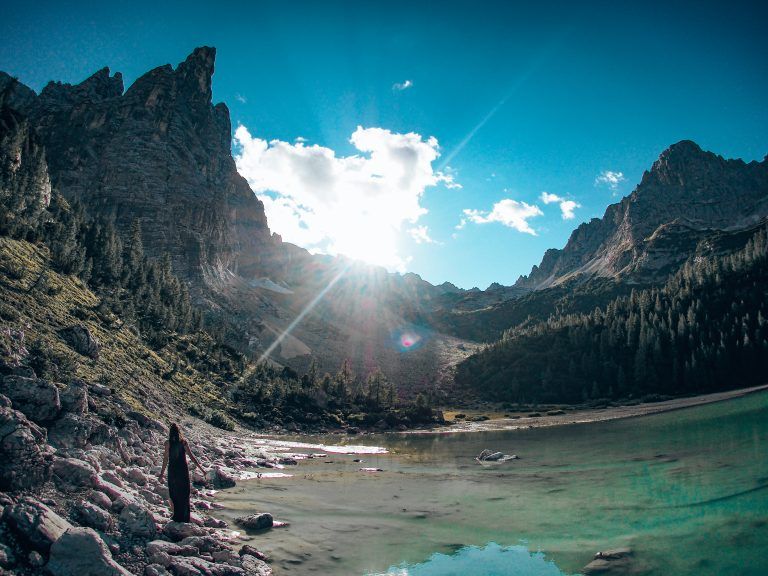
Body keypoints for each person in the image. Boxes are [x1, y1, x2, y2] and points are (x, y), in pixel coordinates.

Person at [158, 423, 205, 522]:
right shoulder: (183, 442)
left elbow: (165, 459)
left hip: (172, 471)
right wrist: (202, 470)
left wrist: (161, 474)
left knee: (173, 492)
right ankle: (185, 517)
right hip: (183, 471)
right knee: (184, 493)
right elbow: (192, 458)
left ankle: (175, 516)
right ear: (179, 432)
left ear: (170, 432)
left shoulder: (167, 443)